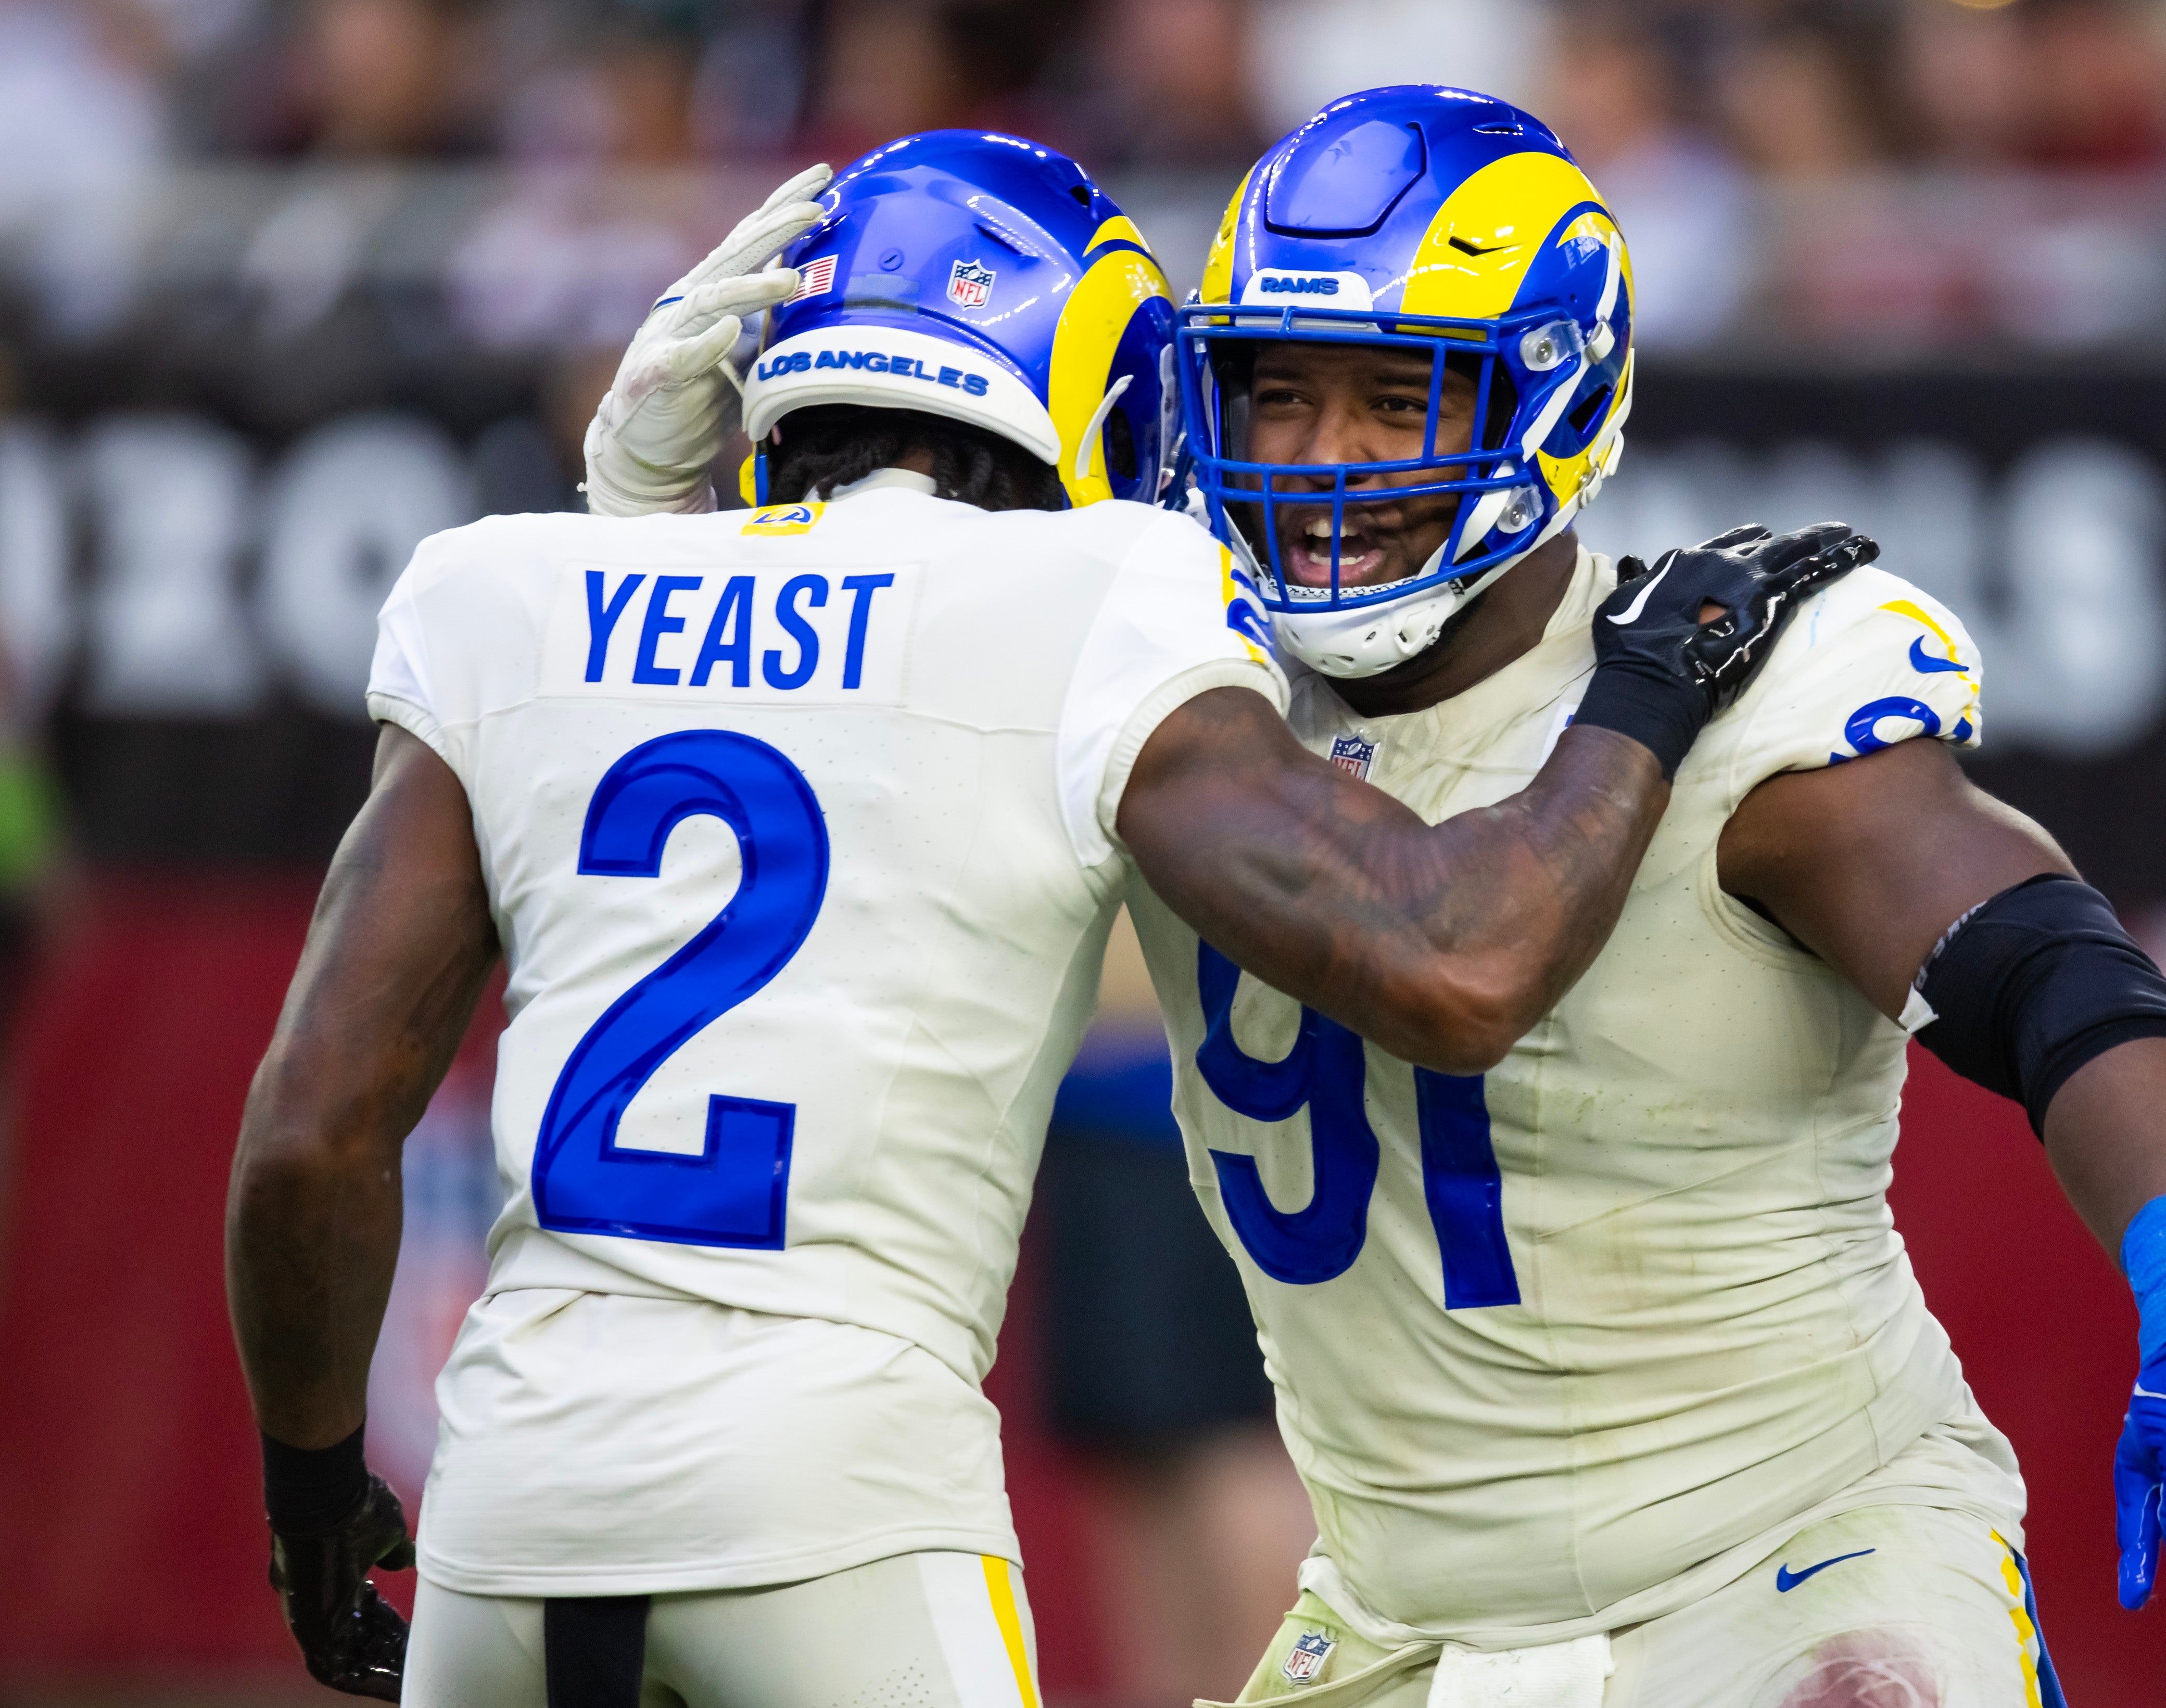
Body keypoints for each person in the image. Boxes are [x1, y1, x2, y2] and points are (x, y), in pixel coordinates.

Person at [224, 131, 1852, 1705]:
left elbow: (309, 1131)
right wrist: (1651, 680)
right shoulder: (1103, 594)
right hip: (830, 1501)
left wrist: (310, 1495)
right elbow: (1453, 951)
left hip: (509, 1497)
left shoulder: (502, 589)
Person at [1125, 85, 2166, 1708]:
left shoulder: (1739, 684)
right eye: (1274, 396)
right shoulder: (1166, 696)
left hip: (1792, 1564)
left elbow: (2050, 972)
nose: (1322, 461)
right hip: (1397, 1617)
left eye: (1393, 397)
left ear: (1548, 401)